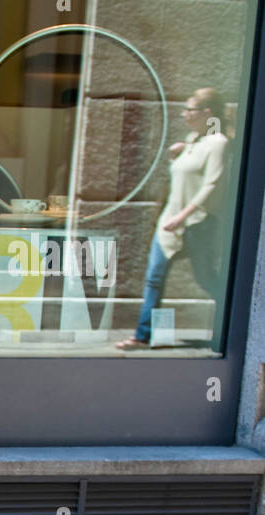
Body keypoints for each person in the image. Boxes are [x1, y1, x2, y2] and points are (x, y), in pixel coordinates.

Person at [117, 88, 229, 350]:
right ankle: (142, 337)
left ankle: (236, 322)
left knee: (206, 279)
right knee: (154, 276)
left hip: (197, 224)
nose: (184, 114)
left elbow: (211, 186)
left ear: (206, 113)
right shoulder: (194, 140)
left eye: (190, 109)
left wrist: (183, 216)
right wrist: (179, 152)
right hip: (169, 222)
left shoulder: (218, 143)